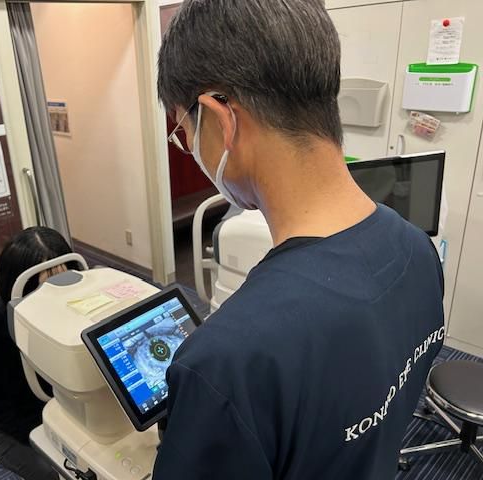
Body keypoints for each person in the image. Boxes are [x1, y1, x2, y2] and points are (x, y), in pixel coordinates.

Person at [153, 1, 444, 479]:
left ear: (221, 120)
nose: (192, 150)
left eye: (186, 133)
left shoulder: (225, 364)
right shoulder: (418, 249)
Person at [0, 227, 73, 480]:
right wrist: (56, 437)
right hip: (9, 425)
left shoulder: (74, 312)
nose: (58, 296)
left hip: (64, 407)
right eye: (46, 287)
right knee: (61, 473)